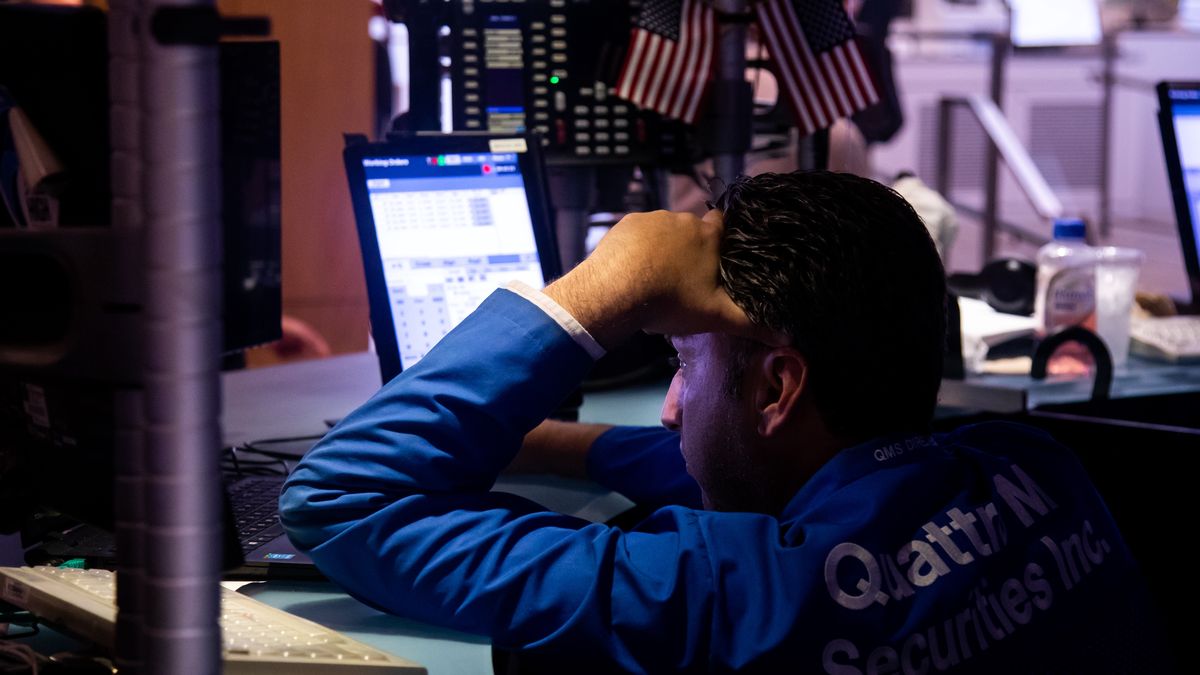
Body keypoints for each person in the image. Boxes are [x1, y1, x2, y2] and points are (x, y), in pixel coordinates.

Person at [280, 172, 1165, 673]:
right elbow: (820, 480)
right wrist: (557, 444)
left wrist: (599, 294)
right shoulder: (1035, 466)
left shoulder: (723, 595)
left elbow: (337, 496)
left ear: (778, 389)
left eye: (681, 364)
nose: (670, 407)